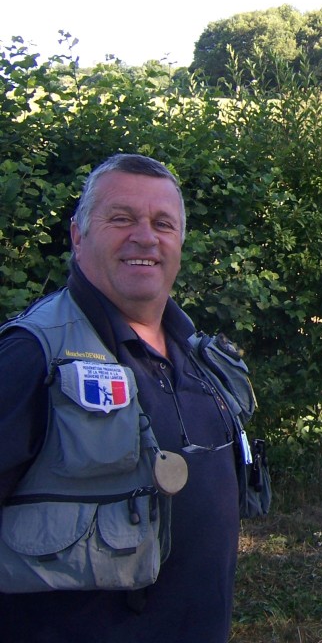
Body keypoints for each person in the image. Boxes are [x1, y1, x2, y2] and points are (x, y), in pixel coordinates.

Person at [0, 154, 251, 642]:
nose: (145, 237)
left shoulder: (201, 357)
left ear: (179, 241)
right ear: (78, 235)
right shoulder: (32, 356)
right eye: (121, 219)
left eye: (163, 223)